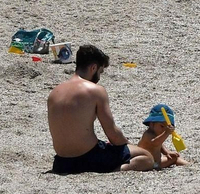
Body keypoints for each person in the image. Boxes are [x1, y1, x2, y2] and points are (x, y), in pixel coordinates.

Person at [47, 45, 155, 174]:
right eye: (100, 71)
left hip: (61, 163)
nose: (99, 77)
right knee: (146, 157)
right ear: (93, 67)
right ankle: (116, 171)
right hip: (89, 158)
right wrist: (128, 145)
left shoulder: (54, 92)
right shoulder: (95, 91)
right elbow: (113, 133)